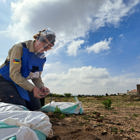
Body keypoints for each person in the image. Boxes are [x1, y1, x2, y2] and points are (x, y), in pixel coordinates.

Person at [0, 29, 56, 111]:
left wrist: (41, 87)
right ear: (37, 39)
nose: (45, 47)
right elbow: (14, 74)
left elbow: (36, 77)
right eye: (43, 42)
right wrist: (32, 88)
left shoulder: (41, 58)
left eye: (48, 46)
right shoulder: (19, 48)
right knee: (19, 108)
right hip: (4, 80)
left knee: (36, 108)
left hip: (20, 83)